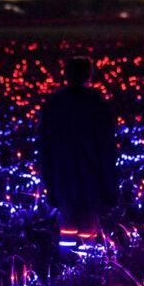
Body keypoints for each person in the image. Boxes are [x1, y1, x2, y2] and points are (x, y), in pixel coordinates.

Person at [37, 56, 118, 248]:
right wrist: (110, 186)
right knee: (88, 224)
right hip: (90, 175)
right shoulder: (96, 103)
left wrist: (49, 181)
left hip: (63, 176)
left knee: (68, 221)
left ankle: (67, 264)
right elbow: (106, 146)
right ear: (89, 75)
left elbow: (44, 145)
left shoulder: (54, 104)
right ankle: (85, 265)